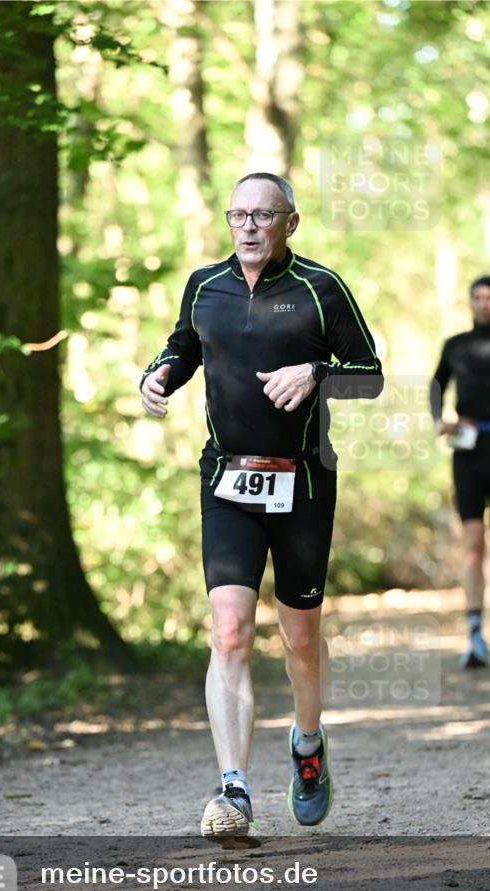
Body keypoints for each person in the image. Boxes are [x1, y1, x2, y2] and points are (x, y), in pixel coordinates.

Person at [139, 172, 383, 838]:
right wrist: (159, 373)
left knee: (299, 639)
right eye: (237, 215)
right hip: (227, 480)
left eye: (263, 216)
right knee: (228, 632)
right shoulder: (204, 286)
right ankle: (234, 789)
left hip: (303, 484)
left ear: (289, 223)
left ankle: (307, 743)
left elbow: (370, 375)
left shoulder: (320, 288)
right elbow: (184, 346)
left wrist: (317, 372)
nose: (248, 227)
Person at [430, 275, 490, 668]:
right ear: (470, 301)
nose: (484, 303)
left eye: (489, 297)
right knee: (473, 545)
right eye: (477, 297)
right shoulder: (456, 345)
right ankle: (475, 635)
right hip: (467, 451)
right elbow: (436, 384)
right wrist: (438, 420)